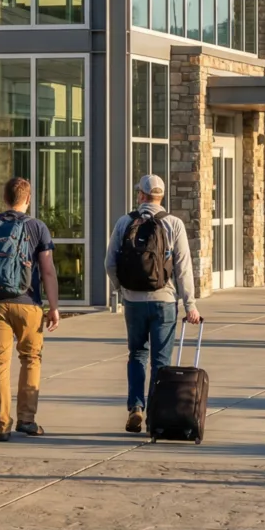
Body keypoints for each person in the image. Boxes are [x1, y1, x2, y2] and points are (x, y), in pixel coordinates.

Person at [0, 176, 59, 440]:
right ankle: (27, 420)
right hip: (28, 303)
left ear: (5, 199)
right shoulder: (37, 227)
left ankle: (2, 424)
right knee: (30, 359)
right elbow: (48, 271)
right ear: (28, 199)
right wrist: (54, 307)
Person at [106, 173, 200, 434]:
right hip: (164, 300)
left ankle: (136, 407)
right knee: (161, 361)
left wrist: (121, 288)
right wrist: (190, 304)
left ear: (141, 195)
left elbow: (109, 262)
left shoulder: (125, 222)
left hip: (133, 301)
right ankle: (157, 416)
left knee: (136, 354)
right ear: (161, 195)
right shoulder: (173, 224)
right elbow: (183, 268)